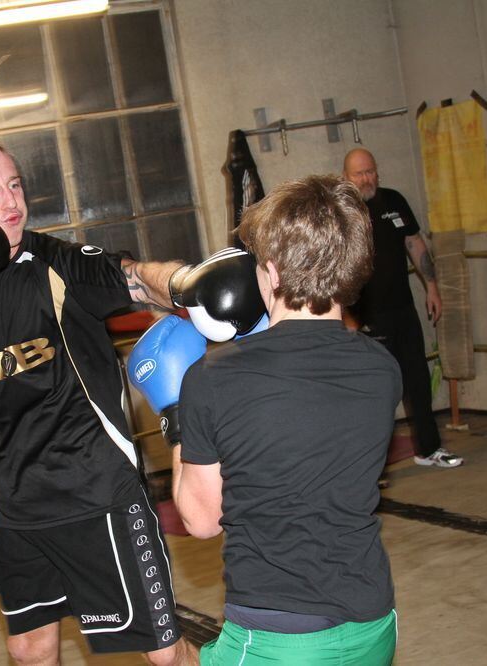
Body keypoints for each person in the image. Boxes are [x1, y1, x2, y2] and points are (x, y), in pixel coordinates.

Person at [0, 140, 247, 665]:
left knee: (163, 654)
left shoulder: (57, 262)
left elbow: (135, 277)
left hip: (99, 494)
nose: (11, 200)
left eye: (15, 184)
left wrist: (183, 282)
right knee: (31, 651)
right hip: (20, 506)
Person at [158, 175, 400, 664]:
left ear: (269, 272)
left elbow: (201, 520)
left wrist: (173, 410)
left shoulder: (214, 377)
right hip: (375, 622)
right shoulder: (383, 368)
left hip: (279, 639)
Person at [343, 147, 464, 469]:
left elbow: (415, 243)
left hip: (403, 308)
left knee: (417, 380)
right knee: (376, 390)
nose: (366, 178)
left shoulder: (393, 201)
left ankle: (428, 449)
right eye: (359, 173)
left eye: (370, 171)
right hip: (366, 315)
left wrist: (432, 287)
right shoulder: (342, 212)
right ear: (347, 177)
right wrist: (346, 317)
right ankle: (371, 465)